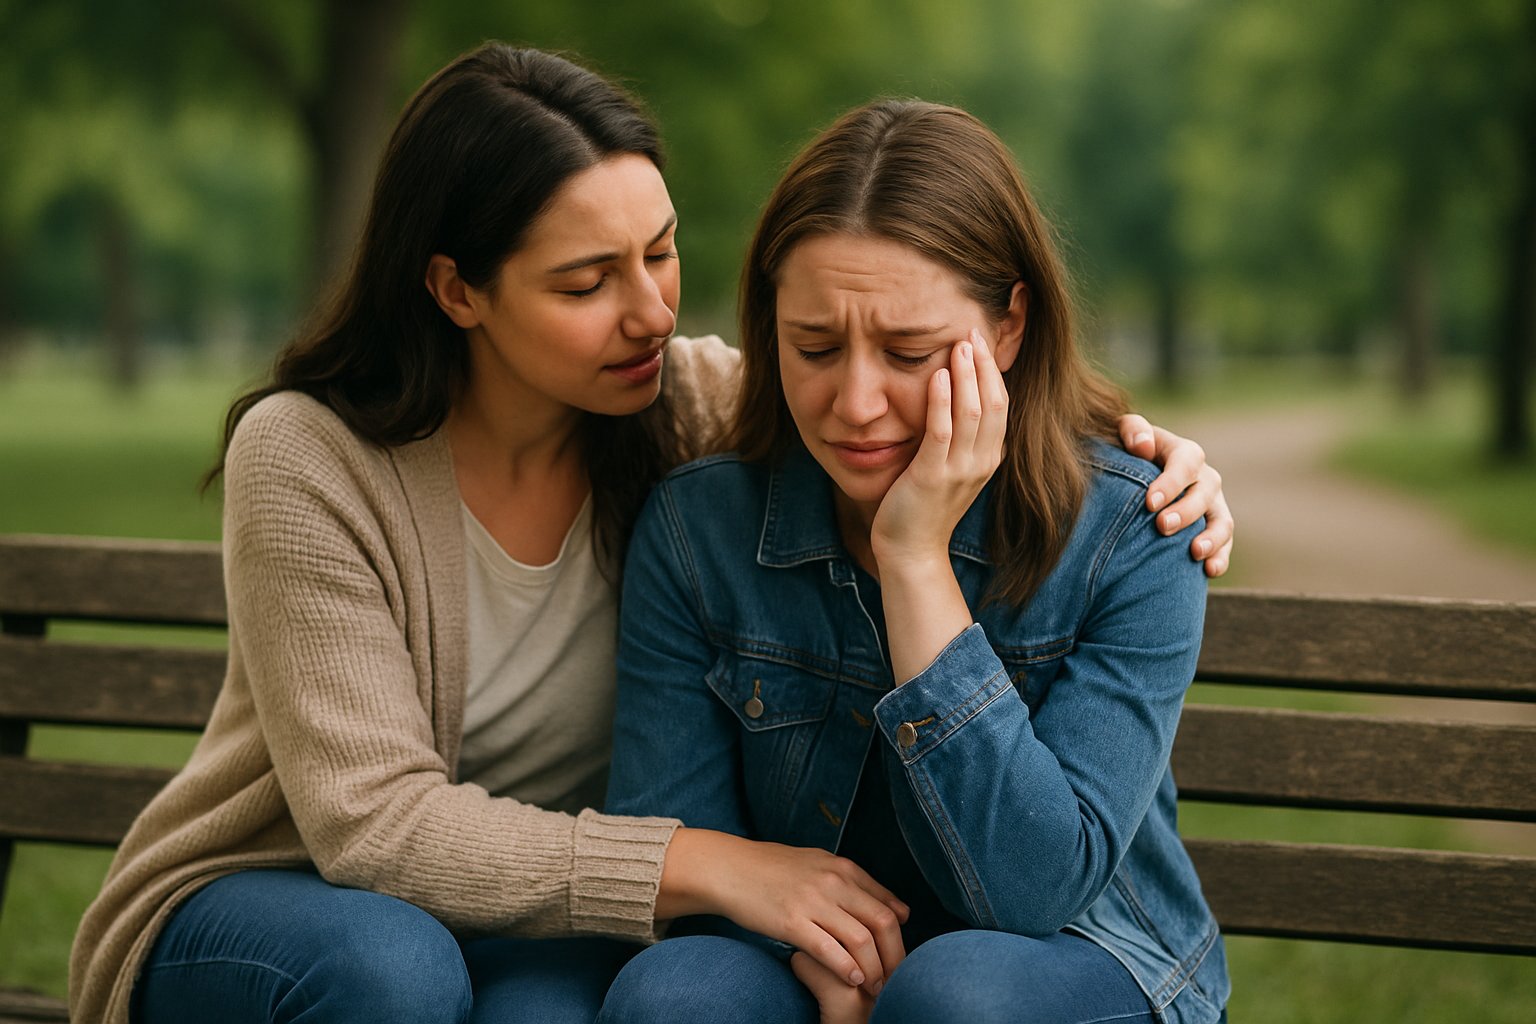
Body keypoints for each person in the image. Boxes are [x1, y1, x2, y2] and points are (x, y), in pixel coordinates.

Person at [69, 45, 1232, 1024]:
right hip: (307, 888)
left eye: (662, 252)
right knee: (399, 967)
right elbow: (374, 822)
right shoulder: (313, 455)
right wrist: (713, 867)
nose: (651, 312)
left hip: (564, 911)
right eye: (586, 282)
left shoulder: (679, 399)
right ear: (458, 290)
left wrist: (1155, 460)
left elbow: (914, 388)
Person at [601, 98, 1228, 1024]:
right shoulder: (700, 529)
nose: (856, 402)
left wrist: (914, 555)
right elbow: (679, 844)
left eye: (909, 351)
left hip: (1083, 958)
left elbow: (1032, 893)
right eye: (814, 346)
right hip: (802, 950)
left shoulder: (1134, 532)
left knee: (953, 997)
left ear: (1008, 328)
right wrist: (814, 952)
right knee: (671, 999)